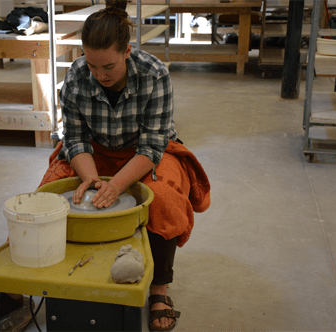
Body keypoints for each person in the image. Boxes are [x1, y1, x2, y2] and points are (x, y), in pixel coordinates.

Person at [38, 1, 211, 331]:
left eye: (109, 66)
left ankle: (159, 289)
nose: (100, 75)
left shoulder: (154, 74)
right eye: (92, 65)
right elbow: (74, 138)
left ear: (128, 51)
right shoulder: (76, 77)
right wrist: (90, 179)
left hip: (146, 152)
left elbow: (152, 145)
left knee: (163, 197)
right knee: (48, 192)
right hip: (95, 151)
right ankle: (29, 279)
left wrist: (116, 185)